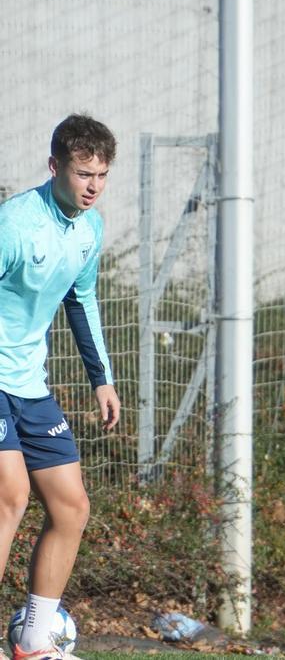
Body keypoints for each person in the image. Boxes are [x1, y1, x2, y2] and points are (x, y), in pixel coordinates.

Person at [0, 114, 122, 660]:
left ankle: (34, 639)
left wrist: (102, 379)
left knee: (71, 507)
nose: (92, 186)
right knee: (10, 496)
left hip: (30, 383)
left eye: (101, 174)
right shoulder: (14, 225)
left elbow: (82, 301)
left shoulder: (90, 228)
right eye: (82, 173)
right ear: (55, 167)